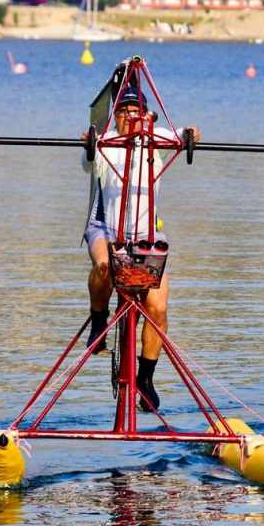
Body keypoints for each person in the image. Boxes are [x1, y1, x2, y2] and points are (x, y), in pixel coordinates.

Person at [79, 84, 200, 412]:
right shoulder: (105, 141)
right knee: (105, 266)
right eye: (123, 113)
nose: (130, 118)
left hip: (147, 235)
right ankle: (98, 322)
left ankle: (145, 379)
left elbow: (185, 134)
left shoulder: (156, 138)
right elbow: (87, 157)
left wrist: (191, 134)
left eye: (136, 113)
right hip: (106, 229)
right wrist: (89, 143)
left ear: (147, 117)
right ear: (115, 117)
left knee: (158, 308)